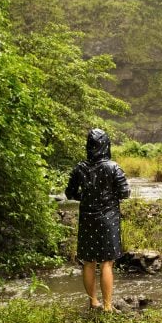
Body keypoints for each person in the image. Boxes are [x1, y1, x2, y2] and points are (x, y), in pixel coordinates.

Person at [65, 128, 130, 311]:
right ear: (106, 145)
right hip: (109, 217)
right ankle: (108, 305)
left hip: (87, 217)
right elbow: (124, 192)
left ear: (89, 146)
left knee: (89, 261)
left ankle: (93, 302)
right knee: (107, 261)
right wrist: (109, 198)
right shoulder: (113, 167)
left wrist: (85, 198)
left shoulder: (80, 168)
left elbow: (69, 193)